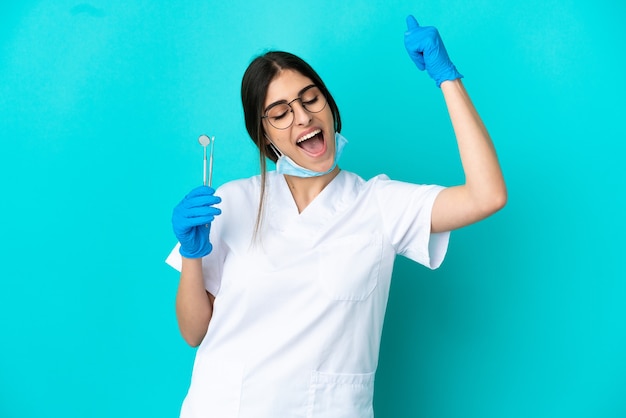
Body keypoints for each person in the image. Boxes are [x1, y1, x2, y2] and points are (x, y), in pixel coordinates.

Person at [166, 15, 506, 418]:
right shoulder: (233, 200)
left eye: (310, 99)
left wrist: (447, 79)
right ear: (265, 136)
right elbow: (193, 332)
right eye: (280, 113)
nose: (303, 118)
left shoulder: (380, 204)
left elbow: (488, 195)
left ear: (328, 103)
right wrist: (192, 254)